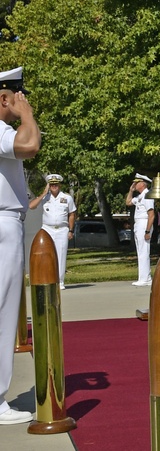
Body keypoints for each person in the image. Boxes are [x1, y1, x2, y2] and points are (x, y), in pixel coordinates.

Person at [0, 67, 40, 425]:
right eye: (18, 96)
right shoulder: (0, 130)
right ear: (3, 97)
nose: (22, 102)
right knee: (3, 312)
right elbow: (30, 146)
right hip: (2, 226)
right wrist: (27, 115)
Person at [28, 173, 76, 290]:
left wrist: (70, 230)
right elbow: (31, 206)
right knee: (45, 255)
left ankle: (60, 281)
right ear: (49, 185)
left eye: (56, 184)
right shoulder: (44, 198)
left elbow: (72, 214)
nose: (54, 186)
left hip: (61, 229)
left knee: (61, 254)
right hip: (47, 229)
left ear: (59, 185)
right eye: (52, 184)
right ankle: (47, 279)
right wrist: (43, 194)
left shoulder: (67, 198)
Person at [125, 173, 156, 286]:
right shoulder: (140, 196)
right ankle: (143, 277)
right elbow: (128, 202)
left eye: (136, 182)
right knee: (140, 251)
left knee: (144, 251)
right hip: (138, 223)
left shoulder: (147, 195)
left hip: (144, 223)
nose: (134, 184)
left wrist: (147, 231)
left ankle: (145, 279)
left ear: (142, 183)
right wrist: (131, 190)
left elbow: (151, 214)